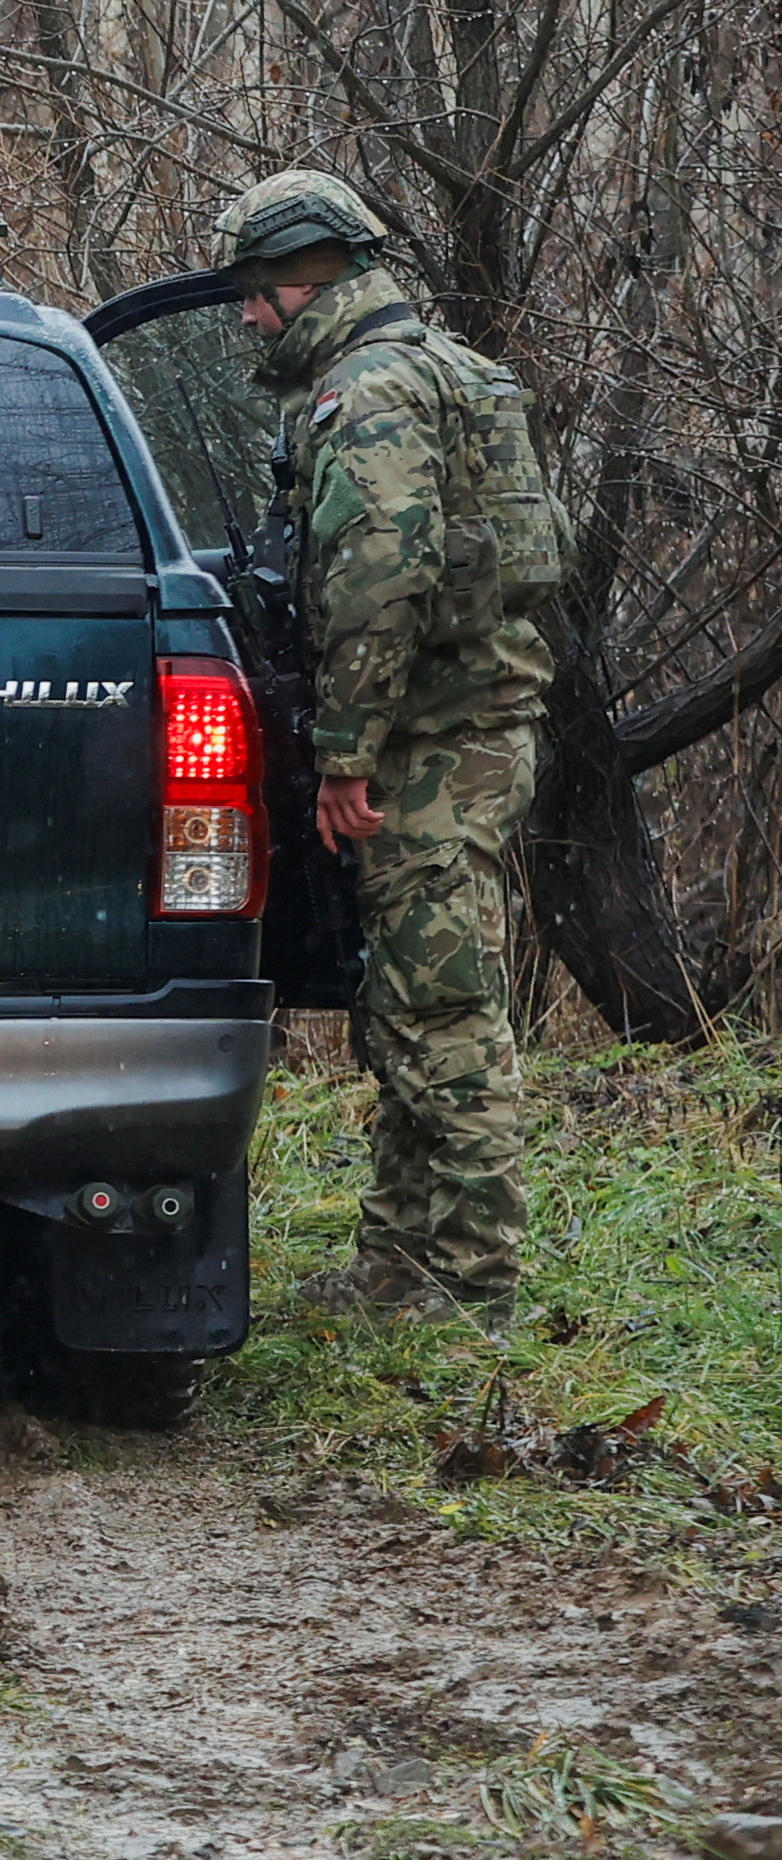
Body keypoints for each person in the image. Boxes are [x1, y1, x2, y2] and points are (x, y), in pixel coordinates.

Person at [217, 167, 562, 1328]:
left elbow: (377, 583)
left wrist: (344, 752)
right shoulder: (447, 369)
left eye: (255, 296)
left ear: (301, 282)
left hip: (423, 744)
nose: (247, 319)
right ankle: (395, 1267)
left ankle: (468, 1289)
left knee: (441, 1013)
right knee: (408, 997)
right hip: (469, 727)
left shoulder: (365, 395)